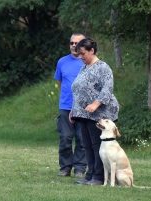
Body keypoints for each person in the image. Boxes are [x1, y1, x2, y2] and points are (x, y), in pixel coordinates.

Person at [69, 37, 119, 185]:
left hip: (100, 114)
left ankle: (98, 177)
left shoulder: (103, 67)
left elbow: (107, 88)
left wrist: (95, 104)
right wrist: (73, 110)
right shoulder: (84, 68)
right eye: (79, 54)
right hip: (83, 114)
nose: (81, 57)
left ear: (92, 51)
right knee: (87, 145)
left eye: (83, 54)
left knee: (97, 145)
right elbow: (78, 90)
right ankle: (89, 175)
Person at [54, 33, 87, 178]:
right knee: (65, 138)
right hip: (66, 105)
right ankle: (65, 168)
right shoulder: (62, 62)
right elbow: (61, 84)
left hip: (84, 108)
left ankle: (80, 169)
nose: (73, 45)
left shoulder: (87, 61)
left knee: (82, 139)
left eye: (77, 43)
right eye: (71, 43)